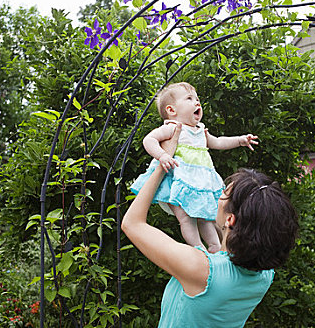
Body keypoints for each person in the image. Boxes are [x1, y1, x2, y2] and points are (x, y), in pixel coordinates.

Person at [122, 123, 299, 327]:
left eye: (223, 193)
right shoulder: (264, 275)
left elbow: (132, 224)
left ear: (230, 220)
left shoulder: (201, 270)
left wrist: (163, 163)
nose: (217, 195)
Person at [130, 82, 258, 253]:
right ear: (172, 110)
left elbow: (218, 141)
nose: (197, 103)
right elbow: (149, 140)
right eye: (189, 99)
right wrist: (162, 155)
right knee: (185, 217)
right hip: (180, 180)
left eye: (197, 99)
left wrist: (240, 140)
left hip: (201, 182)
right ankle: (197, 248)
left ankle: (214, 247)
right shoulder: (173, 127)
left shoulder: (200, 130)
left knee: (205, 216)